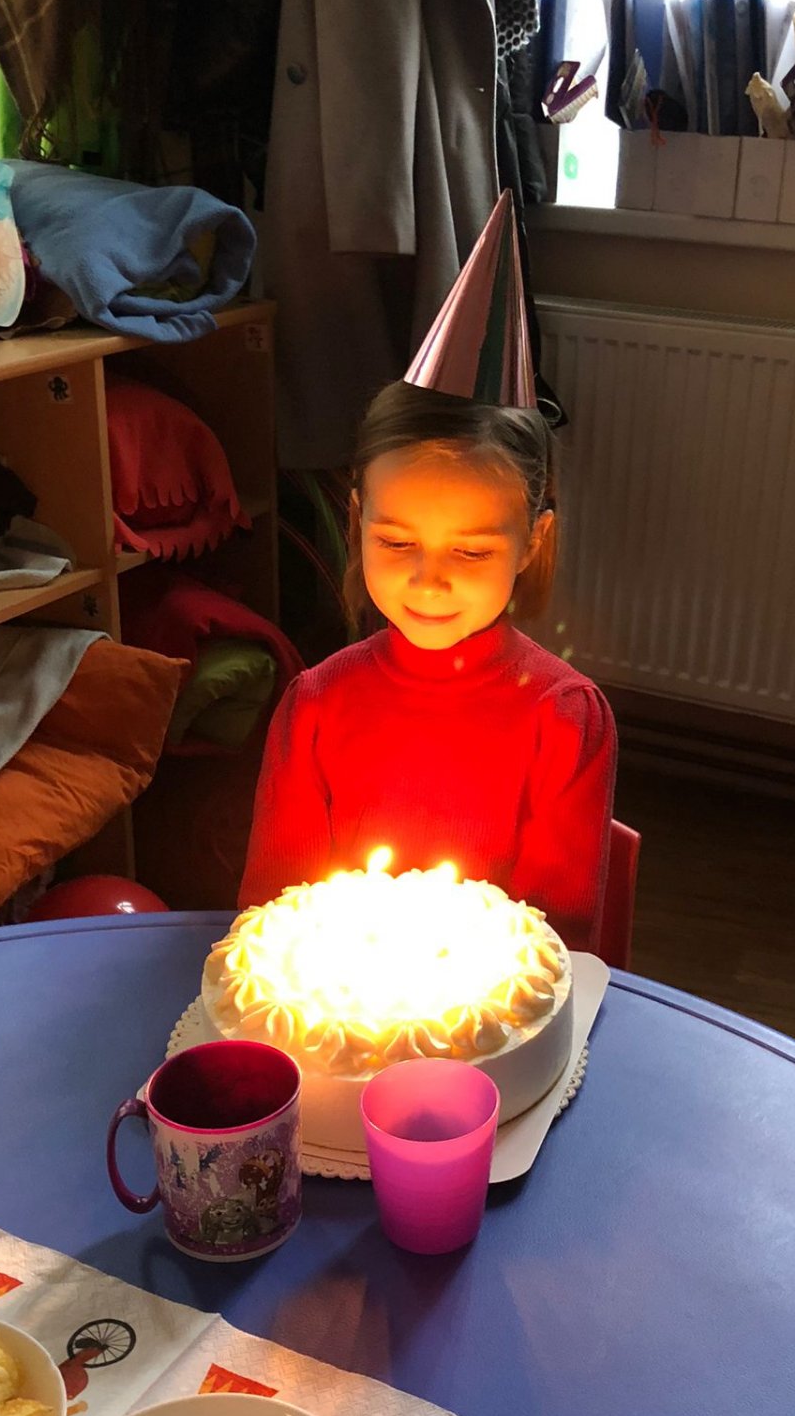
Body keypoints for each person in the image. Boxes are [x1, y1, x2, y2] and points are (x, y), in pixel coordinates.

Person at [240, 194, 616, 951]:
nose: (429, 580)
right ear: (357, 523)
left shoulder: (563, 718)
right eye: (397, 542)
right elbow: (272, 919)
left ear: (532, 544)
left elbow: (558, 944)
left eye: (470, 551)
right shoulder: (314, 707)